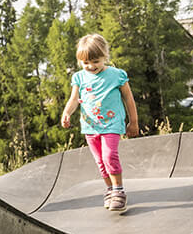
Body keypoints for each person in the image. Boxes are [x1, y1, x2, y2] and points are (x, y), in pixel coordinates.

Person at [59, 33, 139, 212]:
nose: (91, 66)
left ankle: (119, 191)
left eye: (95, 61)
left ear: (105, 56)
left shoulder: (117, 75)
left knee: (109, 156)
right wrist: (67, 113)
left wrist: (133, 122)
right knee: (100, 162)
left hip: (112, 124)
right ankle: (110, 190)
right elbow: (74, 99)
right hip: (90, 126)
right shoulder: (79, 77)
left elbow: (129, 98)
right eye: (86, 62)